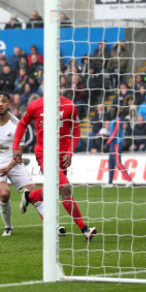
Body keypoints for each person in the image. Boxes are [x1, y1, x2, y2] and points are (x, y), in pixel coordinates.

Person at [15, 96, 97, 241]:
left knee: (56, 190)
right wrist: (16, 147)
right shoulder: (35, 106)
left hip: (62, 155)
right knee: (65, 187)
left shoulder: (70, 106)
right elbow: (22, 124)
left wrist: (69, 152)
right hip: (44, 154)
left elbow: (76, 130)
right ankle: (85, 229)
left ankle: (30, 196)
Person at [0, 92, 44, 236]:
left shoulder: (17, 125)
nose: (0, 104)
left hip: (13, 162)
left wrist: (9, 167)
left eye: (4, 101)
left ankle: (51, 226)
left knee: (32, 191)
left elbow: (19, 153)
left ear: (9, 104)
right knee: (4, 192)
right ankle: (8, 227)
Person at [105, 109, 133, 187]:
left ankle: (130, 180)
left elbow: (115, 133)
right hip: (112, 144)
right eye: (110, 111)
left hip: (117, 143)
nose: (111, 112)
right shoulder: (113, 120)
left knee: (118, 163)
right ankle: (110, 183)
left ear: (116, 112)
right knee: (110, 163)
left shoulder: (118, 119)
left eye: (113, 111)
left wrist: (107, 142)